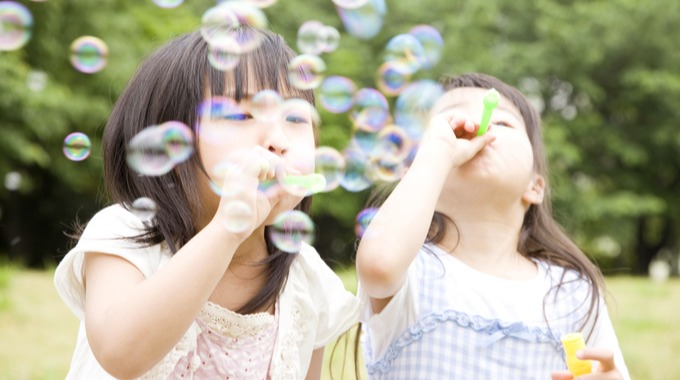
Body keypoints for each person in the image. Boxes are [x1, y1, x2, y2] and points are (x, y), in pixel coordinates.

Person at [54, 26, 360, 380]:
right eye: (241, 115)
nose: (277, 140)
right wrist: (229, 226)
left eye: (294, 118)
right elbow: (120, 353)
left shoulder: (306, 276)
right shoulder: (125, 235)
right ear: (168, 145)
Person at [355, 72, 630, 379]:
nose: (476, 126)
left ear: (535, 186)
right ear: (415, 172)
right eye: (449, 122)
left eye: (502, 123)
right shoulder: (411, 270)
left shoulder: (571, 293)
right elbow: (377, 266)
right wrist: (438, 152)